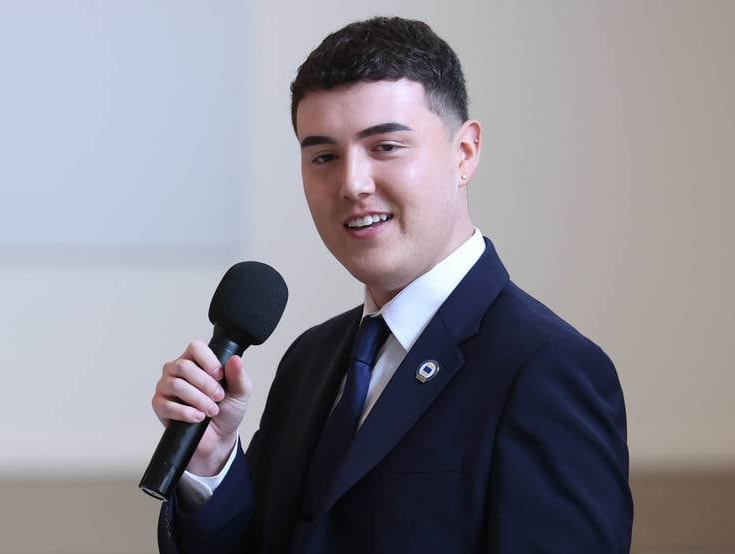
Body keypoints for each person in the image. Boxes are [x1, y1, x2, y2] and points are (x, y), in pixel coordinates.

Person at [152, 16, 633, 554]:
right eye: (324, 157)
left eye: (385, 147)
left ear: (465, 152)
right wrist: (213, 460)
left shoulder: (547, 369)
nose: (352, 184)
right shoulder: (309, 360)